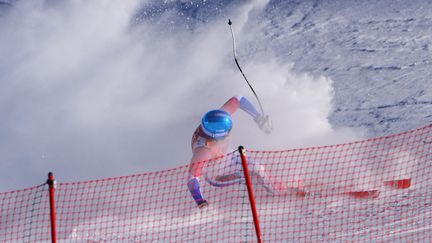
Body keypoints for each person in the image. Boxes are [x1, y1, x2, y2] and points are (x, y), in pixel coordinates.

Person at [187, 96, 275, 208]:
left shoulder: (217, 118)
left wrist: (259, 118)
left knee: (258, 167)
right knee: (253, 172)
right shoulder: (204, 151)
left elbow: (239, 99)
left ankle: (274, 189)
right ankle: (277, 192)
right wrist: (201, 202)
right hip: (217, 173)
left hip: (227, 154)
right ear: (216, 136)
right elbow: (192, 179)